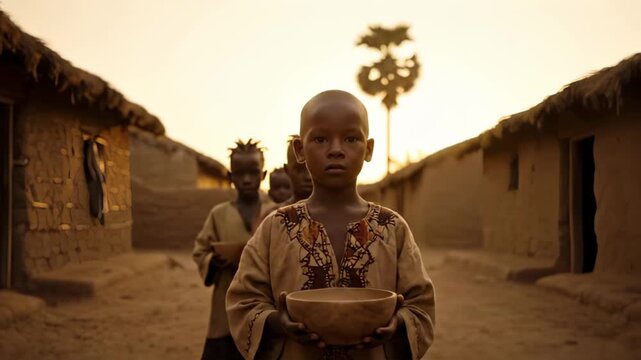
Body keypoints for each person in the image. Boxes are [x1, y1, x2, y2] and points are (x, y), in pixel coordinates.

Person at [226, 90, 435, 359]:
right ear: (300, 150)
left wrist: (398, 325)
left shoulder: (392, 227)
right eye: (321, 139)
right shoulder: (275, 227)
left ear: (368, 149)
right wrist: (278, 323)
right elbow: (243, 301)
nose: (336, 150)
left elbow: (420, 304)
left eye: (351, 138)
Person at [193, 139, 274, 360]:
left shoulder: (275, 213)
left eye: (253, 172)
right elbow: (200, 251)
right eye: (239, 173)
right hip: (225, 303)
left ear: (263, 175)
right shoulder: (218, 214)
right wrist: (213, 261)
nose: (246, 179)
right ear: (230, 177)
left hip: (264, 301)